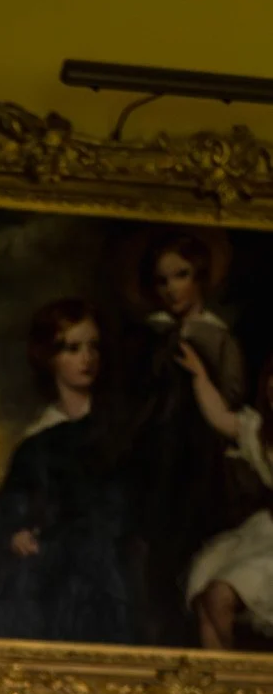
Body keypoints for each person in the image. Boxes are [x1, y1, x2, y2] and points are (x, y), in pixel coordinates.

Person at [0, 298, 136, 646]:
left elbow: (130, 497)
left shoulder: (120, 426)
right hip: (55, 558)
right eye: (73, 348)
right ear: (49, 357)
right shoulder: (36, 440)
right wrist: (17, 530)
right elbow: (15, 499)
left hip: (111, 553)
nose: (88, 358)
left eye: (93, 347)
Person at [128, 228, 249, 642]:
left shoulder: (218, 339)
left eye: (180, 276)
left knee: (192, 561)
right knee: (149, 559)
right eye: (162, 281)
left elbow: (233, 405)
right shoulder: (149, 336)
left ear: (199, 277)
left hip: (201, 466)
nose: (171, 289)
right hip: (153, 461)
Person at [179, 343, 273, 648]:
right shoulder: (260, 433)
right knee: (206, 594)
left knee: (220, 594)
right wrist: (200, 377)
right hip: (265, 533)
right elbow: (221, 416)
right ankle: (220, 688)